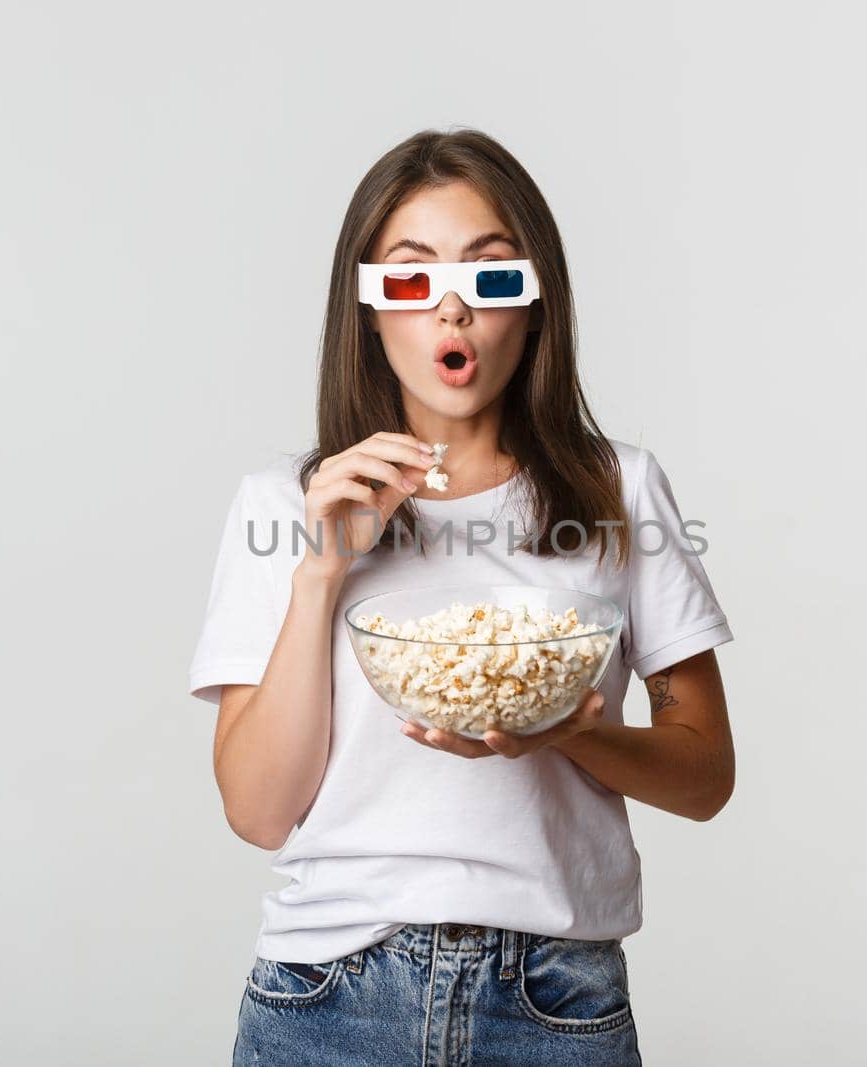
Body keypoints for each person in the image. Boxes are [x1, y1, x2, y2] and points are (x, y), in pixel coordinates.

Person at [188, 127, 735, 1066]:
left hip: (557, 996)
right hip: (328, 993)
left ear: (535, 303)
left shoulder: (618, 491)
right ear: (366, 310)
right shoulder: (285, 503)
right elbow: (258, 811)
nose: (452, 310)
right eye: (409, 279)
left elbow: (705, 776)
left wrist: (564, 727)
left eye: (490, 277)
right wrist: (321, 572)